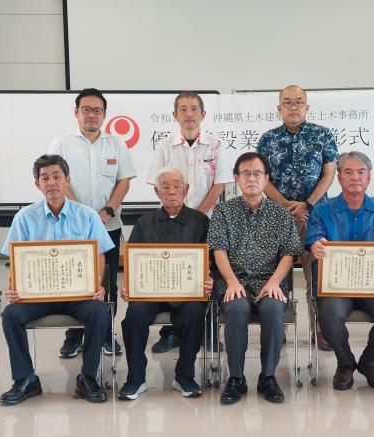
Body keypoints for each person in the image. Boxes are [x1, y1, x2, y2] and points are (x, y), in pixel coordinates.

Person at [0, 155, 115, 405]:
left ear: (67, 180)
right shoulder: (24, 217)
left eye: (56, 177)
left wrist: (97, 284)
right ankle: (26, 379)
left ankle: (88, 377)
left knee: (99, 313)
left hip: (77, 294)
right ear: (37, 184)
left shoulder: (87, 215)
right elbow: (16, 259)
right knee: (10, 315)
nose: (51, 182)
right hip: (38, 296)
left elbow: (100, 254)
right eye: (45, 178)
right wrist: (13, 287)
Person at [305, 152, 374, 390]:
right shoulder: (322, 211)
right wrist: (316, 245)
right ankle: (345, 363)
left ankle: (370, 362)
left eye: (361, 172)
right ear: (339, 178)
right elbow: (313, 240)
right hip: (337, 287)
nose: (355, 177)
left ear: (369, 177)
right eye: (348, 172)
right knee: (329, 317)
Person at [208, 152, 302, 405]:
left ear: (266, 178)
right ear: (237, 178)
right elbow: (219, 250)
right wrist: (231, 281)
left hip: (270, 281)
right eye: (246, 173)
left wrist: (274, 282)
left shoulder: (281, 214)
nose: (251, 178)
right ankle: (236, 378)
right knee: (237, 309)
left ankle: (268, 377)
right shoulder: (223, 211)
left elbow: (289, 253)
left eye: (257, 173)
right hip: (233, 281)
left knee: (272, 309)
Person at [49, 88, 136, 358]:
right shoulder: (61, 144)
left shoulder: (116, 144)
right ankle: (73, 336)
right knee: (73, 279)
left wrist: (108, 210)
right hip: (71, 226)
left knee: (107, 281)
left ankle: (106, 334)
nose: (91, 115)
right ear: (76, 112)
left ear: (104, 115)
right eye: (86, 109)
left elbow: (124, 181)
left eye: (97, 110)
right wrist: (80, 213)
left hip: (108, 225)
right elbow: (58, 181)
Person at [147, 91, 232, 353]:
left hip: (209, 221)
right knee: (172, 273)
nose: (189, 114)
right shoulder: (164, 146)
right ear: (174, 115)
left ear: (203, 114)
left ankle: (209, 332)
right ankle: (171, 333)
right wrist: (182, 214)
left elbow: (219, 184)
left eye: (194, 108)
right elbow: (158, 184)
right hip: (172, 221)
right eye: (183, 109)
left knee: (209, 276)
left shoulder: (216, 145)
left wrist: (197, 215)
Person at [118, 167, 213, 400]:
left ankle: (185, 376)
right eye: (165, 187)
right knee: (134, 316)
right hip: (150, 292)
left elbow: (212, 258)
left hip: (187, 293)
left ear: (186, 189)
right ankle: (135, 378)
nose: (171, 191)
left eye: (177, 186)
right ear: (157, 192)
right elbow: (133, 261)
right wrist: (129, 285)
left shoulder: (201, 221)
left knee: (194, 314)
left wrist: (210, 280)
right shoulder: (144, 222)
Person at [257, 84, 338, 352]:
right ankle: (277, 326)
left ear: (307, 107)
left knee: (317, 275)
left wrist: (308, 204)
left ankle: (321, 329)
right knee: (276, 273)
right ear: (279, 108)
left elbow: (329, 173)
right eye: (287, 102)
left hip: (316, 216)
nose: (293, 107)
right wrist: (286, 205)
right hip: (277, 217)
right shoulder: (267, 139)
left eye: (299, 102)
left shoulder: (323, 134)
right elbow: (263, 179)